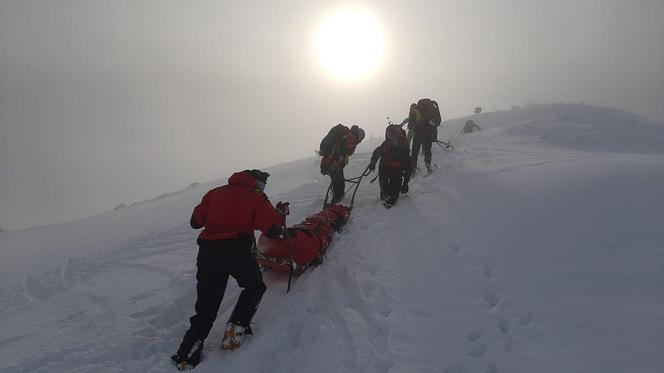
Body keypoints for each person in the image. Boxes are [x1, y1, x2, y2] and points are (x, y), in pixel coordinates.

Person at [172, 169, 290, 369]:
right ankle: (236, 328)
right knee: (254, 287)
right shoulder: (256, 196)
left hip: (208, 250)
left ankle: (187, 353)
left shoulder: (215, 192)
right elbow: (272, 230)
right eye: (263, 183)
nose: (263, 187)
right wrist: (279, 214)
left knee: (207, 304)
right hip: (235, 248)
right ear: (256, 182)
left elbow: (195, 222)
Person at [319, 124, 365, 204]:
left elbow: (343, 149)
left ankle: (336, 199)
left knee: (338, 183)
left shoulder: (348, 135)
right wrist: (340, 159)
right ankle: (334, 204)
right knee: (338, 185)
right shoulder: (351, 137)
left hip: (331, 162)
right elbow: (341, 148)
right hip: (334, 163)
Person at [368, 125, 412, 208]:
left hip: (386, 168)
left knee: (388, 191)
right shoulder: (403, 148)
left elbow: (377, 152)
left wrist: (373, 162)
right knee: (389, 191)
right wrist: (405, 183)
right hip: (393, 170)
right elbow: (408, 167)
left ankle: (387, 195)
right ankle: (388, 194)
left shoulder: (387, 145)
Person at [410, 99, 441, 172]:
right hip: (428, 132)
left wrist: (413, 127)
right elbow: (437, 121)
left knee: (415, 151)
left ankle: (413, 168)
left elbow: (410, 124)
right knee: (427, 150)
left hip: (418, 132)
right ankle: (428, 166)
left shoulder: (416, 109)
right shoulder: (432, 107)